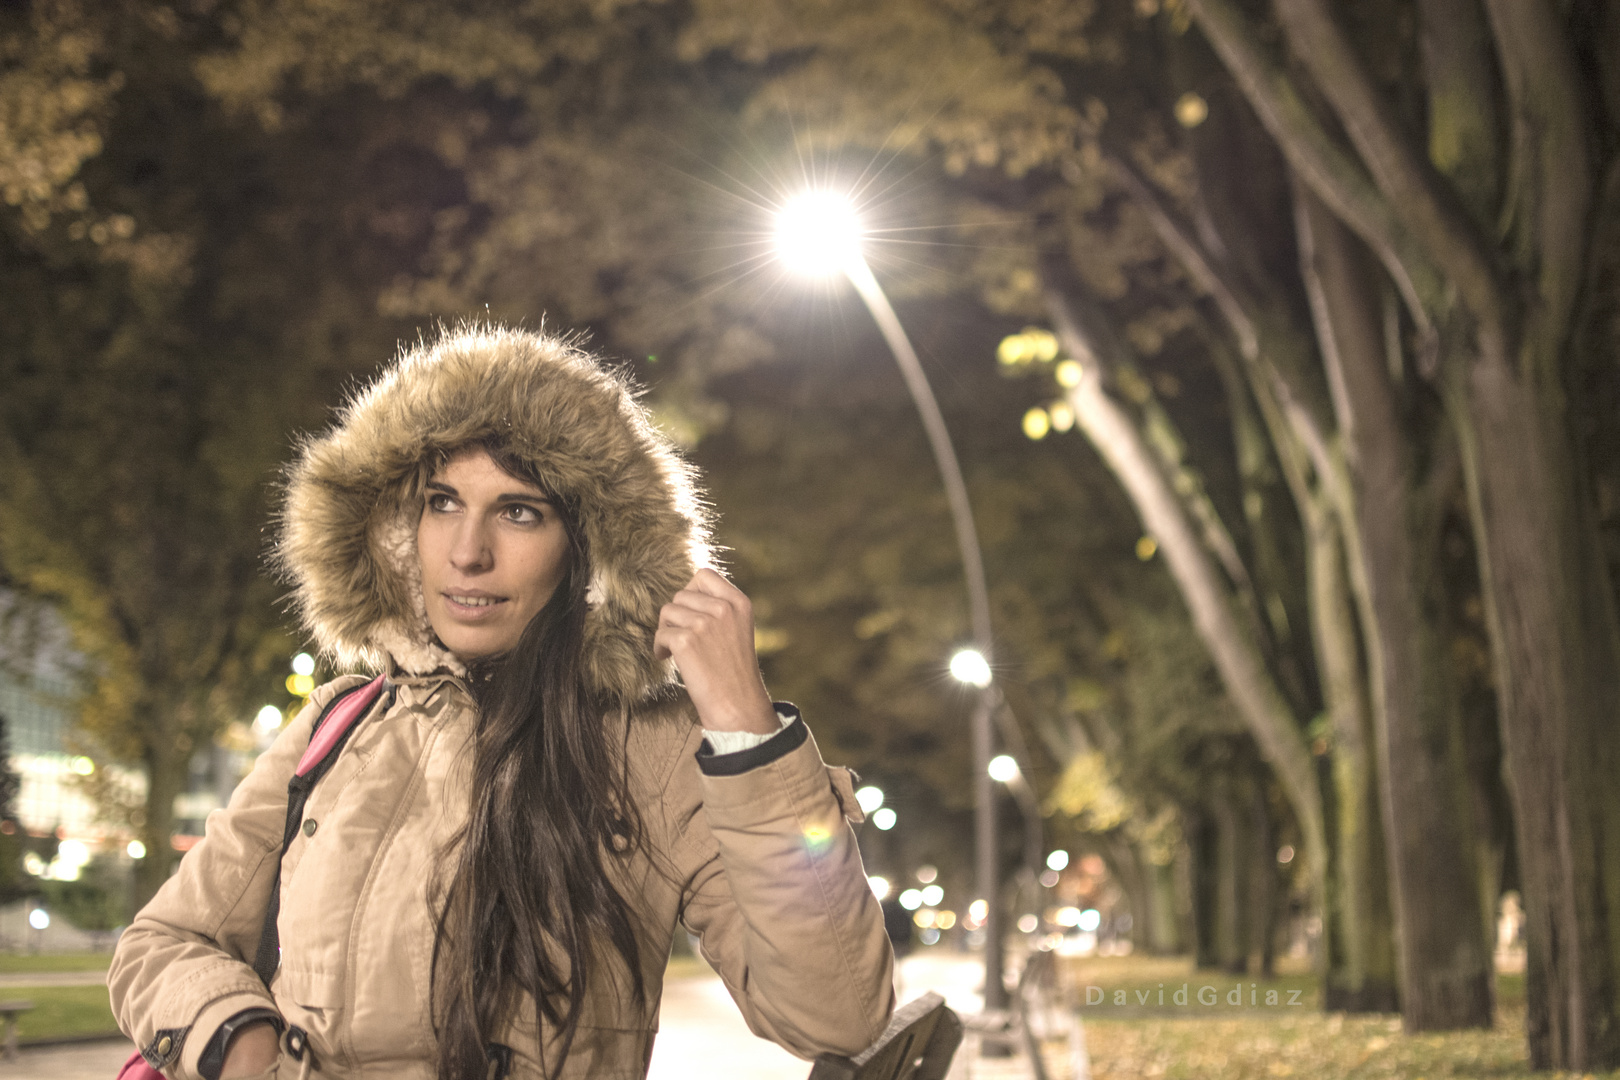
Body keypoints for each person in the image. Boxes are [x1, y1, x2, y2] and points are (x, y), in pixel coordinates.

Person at [108, 326, 895, 1079]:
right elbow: (165, 941)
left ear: (587, 547)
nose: (467, 553)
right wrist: (239, 1042)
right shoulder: (339, 725)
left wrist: (748, 730)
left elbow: (838, 1016)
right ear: (393, 524)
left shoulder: (653, 752)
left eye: (519, 511)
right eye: (442, 502)